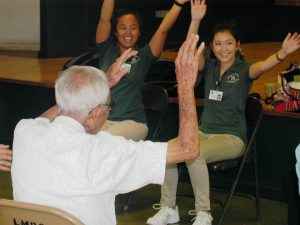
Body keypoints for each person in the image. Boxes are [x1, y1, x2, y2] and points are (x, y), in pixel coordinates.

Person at [11, 35, 204, 225]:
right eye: (108, 107)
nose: (108, 112)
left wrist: (103, 83)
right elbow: (188, 149)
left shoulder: (24, 131)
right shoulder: (106, 152)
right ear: (96, 113)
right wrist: (186, 85)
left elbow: (47, 117)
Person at [147, 1, 300, 224]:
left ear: (238, 45)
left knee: (194, 154)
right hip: (203, 132)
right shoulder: (208, 66)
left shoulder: (244, 69)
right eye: (218, 44)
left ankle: (204, 213)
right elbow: (189, 51)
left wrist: (282, 53)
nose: (223, 48)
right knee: (169, 150)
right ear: (211, 46)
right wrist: (196, 19)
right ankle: (169, 208)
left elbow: (263, 66)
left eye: (229, 43)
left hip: (231, 138)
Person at [96, 0, 190, 141]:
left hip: (132, 123)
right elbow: (104, 19)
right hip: (102, 121)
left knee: (103, 139)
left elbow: (163, 29)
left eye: (133, 28)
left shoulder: (144, 56)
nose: (128, 32)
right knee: (82, 139)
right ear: (115, 32)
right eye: (123, 27)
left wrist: (178, 3)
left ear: (139, 32)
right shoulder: (107, 50)